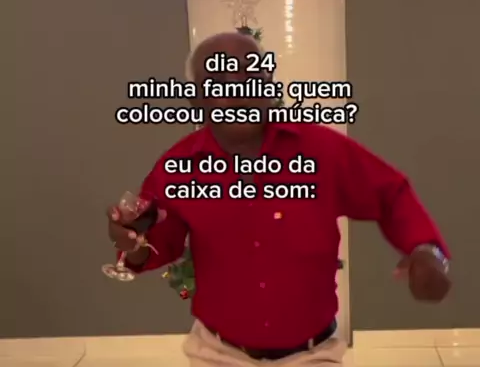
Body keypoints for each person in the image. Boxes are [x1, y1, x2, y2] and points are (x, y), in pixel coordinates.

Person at [107, 32, 451, 367]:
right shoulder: (177, 167)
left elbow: (391, 193)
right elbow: (156, 241)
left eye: (251, 75)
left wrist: (427, 251)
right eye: (219, 79)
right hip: (216, 354)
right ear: (196, 99)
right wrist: (132, 243)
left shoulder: (322, 151)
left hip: (313, 355)